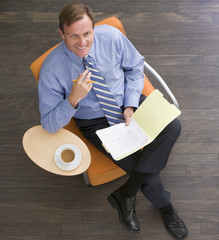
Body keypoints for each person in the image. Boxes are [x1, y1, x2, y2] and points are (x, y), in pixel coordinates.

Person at [38, 3, 188, 239]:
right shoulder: (52, 69)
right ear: (61, 33)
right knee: (147, 175)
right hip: (95, 122)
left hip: (128, 101)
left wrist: (130, 104)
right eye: (73, 36)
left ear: (94, 29)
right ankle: (165, 208)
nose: (82, 43)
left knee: (173, 126)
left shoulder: (112, 37)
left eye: (87, 33)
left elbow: (135, 66)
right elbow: (48, 123)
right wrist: (72, 100)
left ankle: (126, 193)